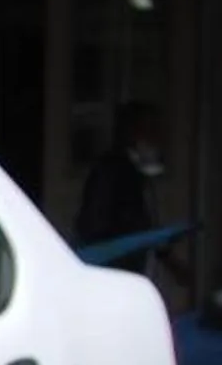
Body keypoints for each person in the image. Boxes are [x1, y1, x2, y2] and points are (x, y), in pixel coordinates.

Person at [75, 101, 184, 280]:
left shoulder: (135, 171)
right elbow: (98, 223)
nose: (155, 138)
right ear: (130, 132)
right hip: (114, 268)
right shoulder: (112, 171)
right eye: (148, 130)